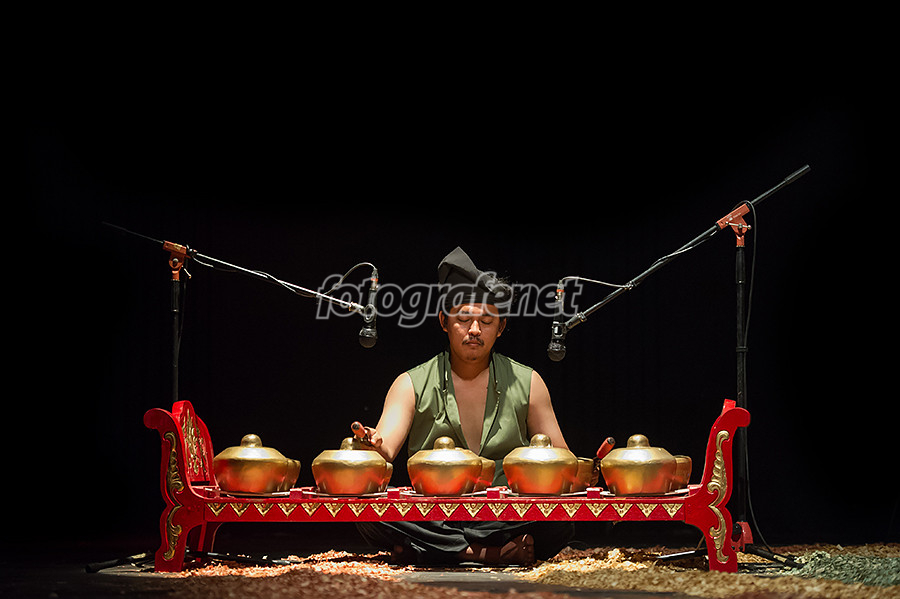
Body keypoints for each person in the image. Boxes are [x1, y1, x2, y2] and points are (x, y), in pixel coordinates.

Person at [355, 247, 577, 566]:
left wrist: (581, 472)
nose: (474, 330)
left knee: (559, 519)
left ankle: (430, 551)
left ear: (500, 327)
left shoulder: (528, 381)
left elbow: (563, 459)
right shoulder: (409, 383)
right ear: (444, 322)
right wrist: (372, 444)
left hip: (502, 514)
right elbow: (383, 449)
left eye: (486, 321)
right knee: (369, 513)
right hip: (435, 512)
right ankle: (485, 553)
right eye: (463, 319)